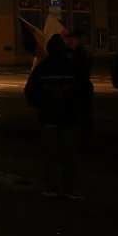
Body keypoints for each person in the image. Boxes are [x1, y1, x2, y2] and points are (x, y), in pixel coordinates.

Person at [25, 33, 90, 199]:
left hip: (48, 118)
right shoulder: (72, 66)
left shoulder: (42, 68)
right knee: (70, 155)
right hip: (68, 117)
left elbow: (30, 92)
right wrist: (76, 107)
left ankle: (50, 187)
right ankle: (72, 188)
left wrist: (43, 104)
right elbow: (85, 89)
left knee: (49, 155)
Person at [65, 29, 95, 142]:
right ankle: (78, 133)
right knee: (78, 110)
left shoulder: (81, 52)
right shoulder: (70, 53)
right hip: (76, 85)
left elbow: (87, 65)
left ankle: (86, 132)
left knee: (86, 111)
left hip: (83, 84)